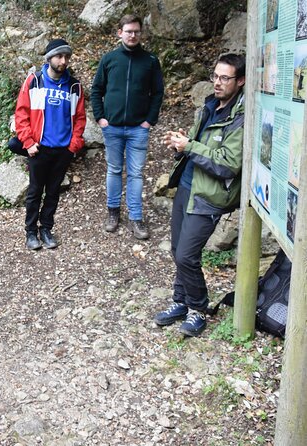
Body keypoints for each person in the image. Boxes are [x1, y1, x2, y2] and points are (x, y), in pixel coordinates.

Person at [154, 53, 245, 337]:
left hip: (210, 196)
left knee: (187, 255)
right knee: (177, 250)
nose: (217, 83)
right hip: (187, 187)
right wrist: (178, 144)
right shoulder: (208, 107)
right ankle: (180, 301)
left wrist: (190, 146)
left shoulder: (240, 119)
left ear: (240, 81)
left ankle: (198, 309)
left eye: (225, 78)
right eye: (215, 76)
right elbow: (193, 145)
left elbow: (228, 163)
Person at [90, 14, 165, 240]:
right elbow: (96, 90)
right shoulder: (109, 59)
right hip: (112, 128)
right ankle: (113, 213)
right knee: (114, 170)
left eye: (136, 31)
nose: (132, 35)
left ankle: (136, 217)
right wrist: (101, 118)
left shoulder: (150, 61)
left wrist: (148, 121)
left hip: (137, 130)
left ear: (141, 33)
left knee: (135, 174)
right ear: (119, 32)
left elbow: (157, 93)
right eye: (128, 31)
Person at [14, 38, 86, 250]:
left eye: (66, 57)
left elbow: (80, 118)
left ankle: (46, 228)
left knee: (53, 192)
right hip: (39, 148)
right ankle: (30, 232)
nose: (63, 61)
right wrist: (28, 142)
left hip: (63, 150)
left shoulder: (74, 86)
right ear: (49, 58)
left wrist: (74, 144)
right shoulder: (34, 81)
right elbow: (21, 114)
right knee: (35, 191)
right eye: (59, 56)